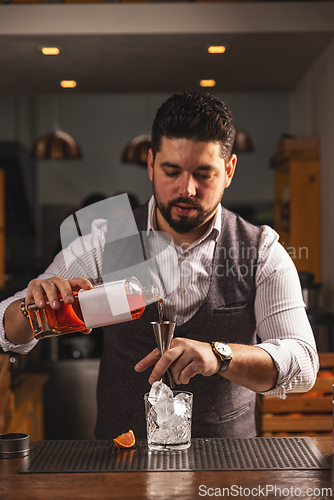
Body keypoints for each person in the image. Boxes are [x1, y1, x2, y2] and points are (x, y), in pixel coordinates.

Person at [0, 91, 318, 439]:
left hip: (226, 462)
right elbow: (7, 330)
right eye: (172, 171)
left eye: (204, 174)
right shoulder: (107, 240)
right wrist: (30, 309)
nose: (187, 189)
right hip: (119, 461)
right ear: (151, 164)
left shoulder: (261, 249)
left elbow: (303, 364)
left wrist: (220, 355)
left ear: (228, 171)